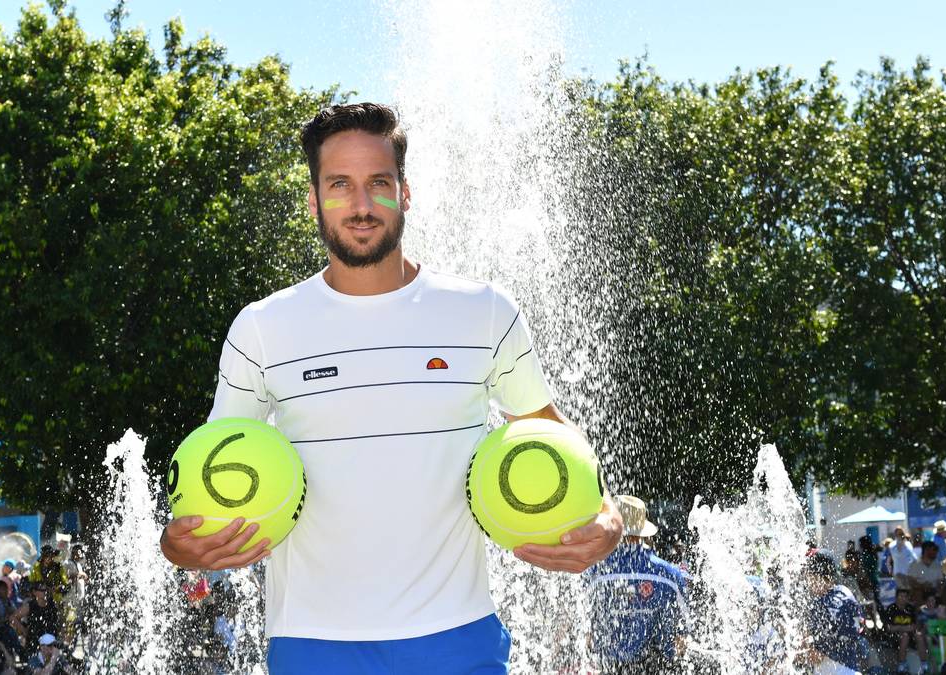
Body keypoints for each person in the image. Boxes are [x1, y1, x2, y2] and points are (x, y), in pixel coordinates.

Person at [158, 102, 622, 674]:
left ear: (405, 192)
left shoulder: (485, 312)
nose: (359, 205)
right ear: (313, 199)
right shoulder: (261, 327)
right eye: (339, 185)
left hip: (458, 638)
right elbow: (212, 482)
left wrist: (606, 513)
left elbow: (551, 439)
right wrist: (179, 546)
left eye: (378, 182)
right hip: (310, 643)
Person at [584, 495, 687, 672]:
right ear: (642, 531)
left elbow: (585, 633)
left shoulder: (593, 572)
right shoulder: (669, 575)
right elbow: (681, 639)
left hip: (608, 667)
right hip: (655, 667)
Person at [799, 550, 867, 674]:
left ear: (817, 575)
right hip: (851, 669)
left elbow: (816, 657)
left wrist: (792, 651)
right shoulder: (844, 592)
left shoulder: (821, 606)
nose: (806, 580)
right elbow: (859, 628)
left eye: (807, 574)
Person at [882, 587, 927, 672]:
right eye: (901, 596)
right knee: (905, 637)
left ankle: (924, 663)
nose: (903, 598)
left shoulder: (910, 609)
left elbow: (915, 625)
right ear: (896, 597)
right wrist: (902, 628)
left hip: (910, 633)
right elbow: (888, 628)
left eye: (905, 596)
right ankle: (901, 664)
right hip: (895, 635)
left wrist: (913, 628)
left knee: (919, 636)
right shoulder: (891, 609)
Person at [12, 582, 59, 655]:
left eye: (46, 590)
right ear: (35, 592)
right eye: (42, 590)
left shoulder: (53, 604)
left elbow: (60, 621)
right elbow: (12, 618)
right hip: (35, 644)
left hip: (51, 644)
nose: (45, 592)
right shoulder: (30, 606)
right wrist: (24, 630)